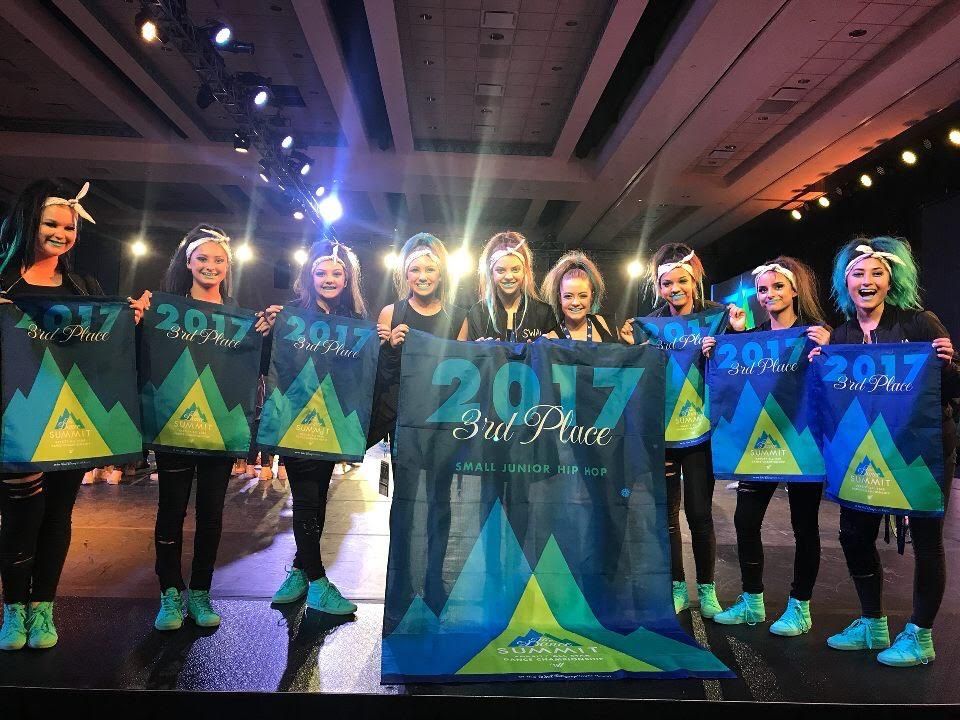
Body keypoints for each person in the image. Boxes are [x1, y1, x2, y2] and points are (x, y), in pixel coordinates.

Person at [0, 179, 149, 651]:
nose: (61, 234)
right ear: (29, 222)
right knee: (20, 516)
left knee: (58, 515)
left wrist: (127, 323)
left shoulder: (84, 287)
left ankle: (43, 606)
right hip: (16, 419)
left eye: (69, 227)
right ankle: (13, 609)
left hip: (70, 419)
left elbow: (99, 355)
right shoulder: (4, 282)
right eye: (51, 224)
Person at [823, 236, 958, 667]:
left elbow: (950, 390)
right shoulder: (842, 334)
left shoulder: (921, 324)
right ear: (845, 283)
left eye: (876, 273)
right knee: (853, 534)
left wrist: (949, 364)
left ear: (891, 280)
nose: (867, 281)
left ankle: (920, 636)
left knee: (927, 541)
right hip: (865, 450)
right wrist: (818, 364)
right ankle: (872, 624)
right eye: (858, 274)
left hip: (921, 449)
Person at [702, 256, 830, 635]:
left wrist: (831, 349)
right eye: (762, 289)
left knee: (804, 526)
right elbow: (735, 380)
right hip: (761, 444)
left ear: (794, 290)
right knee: (745, 520)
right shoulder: (752, 336)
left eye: (777, 287)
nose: (769, 294)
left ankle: (800, 608)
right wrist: (720, 346)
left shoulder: (815, 333)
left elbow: (833, 383)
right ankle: (752, 602)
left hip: (802, 441)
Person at [151, 224, 261, 633]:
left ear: (228, 267)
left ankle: (200, 591)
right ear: (188, 262)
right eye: (202, 258)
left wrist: (269, 331)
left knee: (211, 514)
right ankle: (169, 592)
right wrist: (138, 317)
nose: (210, 266)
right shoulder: (165, 310)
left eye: (218, 260)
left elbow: (257, 366)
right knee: (171, 510)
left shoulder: (239, 318)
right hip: (175, 427)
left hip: (219, 428)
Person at [620, 244, 736, 618]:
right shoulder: (648, 325)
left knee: (700, 515)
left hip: (701, 433)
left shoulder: (716, 317)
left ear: (694, 280)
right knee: (668, 518)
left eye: (682, 281)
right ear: (659, 286)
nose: (675, 289)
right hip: (663, 436)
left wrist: (734, 335)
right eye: (667, 283)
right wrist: (629, 347)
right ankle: (677, 587)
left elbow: (738, 366)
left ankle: (708, 590)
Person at [256, 239, 365, 615]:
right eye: (321, 272)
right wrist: (267, 335)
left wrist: (380, 343)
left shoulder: (353, 321)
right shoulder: (289, 314)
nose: (329, 279)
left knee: (317, 499)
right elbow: (268, 368)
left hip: (330, 423)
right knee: (305, 498)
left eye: (337, 273)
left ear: (347, 279)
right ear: (309, 276)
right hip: (294, 420)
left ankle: (300, 571)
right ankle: (318, 583)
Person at [459, 231, 555, 342]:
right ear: (491, 273)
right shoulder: (478, 313)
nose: (509, 276)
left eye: (515, 269)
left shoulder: (544, 312)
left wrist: (540, 349)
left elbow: (557, 350)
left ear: (525, 271)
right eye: (500, 270)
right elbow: (467, 352)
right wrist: (477, 349)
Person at [540, 251, 616, 342]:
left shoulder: (608, 326)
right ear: (560, 298)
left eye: (583, 296)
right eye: (568, 296)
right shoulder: (551, 339)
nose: (575, 302)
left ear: (591, 297)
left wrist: (629, 343)